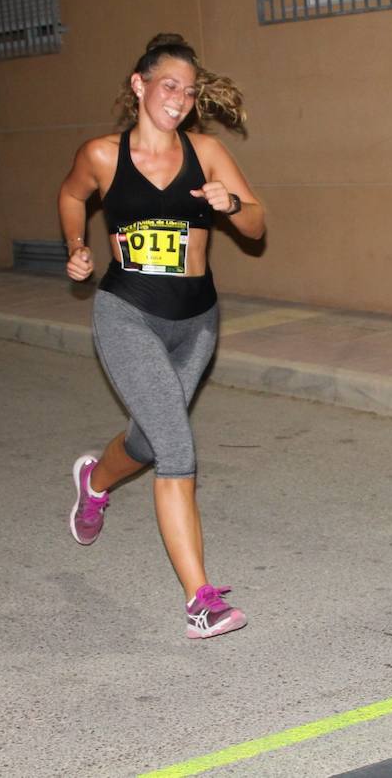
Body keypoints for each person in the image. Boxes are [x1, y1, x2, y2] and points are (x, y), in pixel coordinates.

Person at [57, 33, 265, 640]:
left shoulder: (207, 153)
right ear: (139, 85)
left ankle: (94, 481)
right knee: (178, 448)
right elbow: (72, 195)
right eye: (168, 85)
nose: (179, 98)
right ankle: (201, 600)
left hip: (197, 322)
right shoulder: (101, 155)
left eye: (189, 90)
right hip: (128, 314)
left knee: (150, 440)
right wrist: (76, 246)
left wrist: (230, 205)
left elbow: (256, 226)